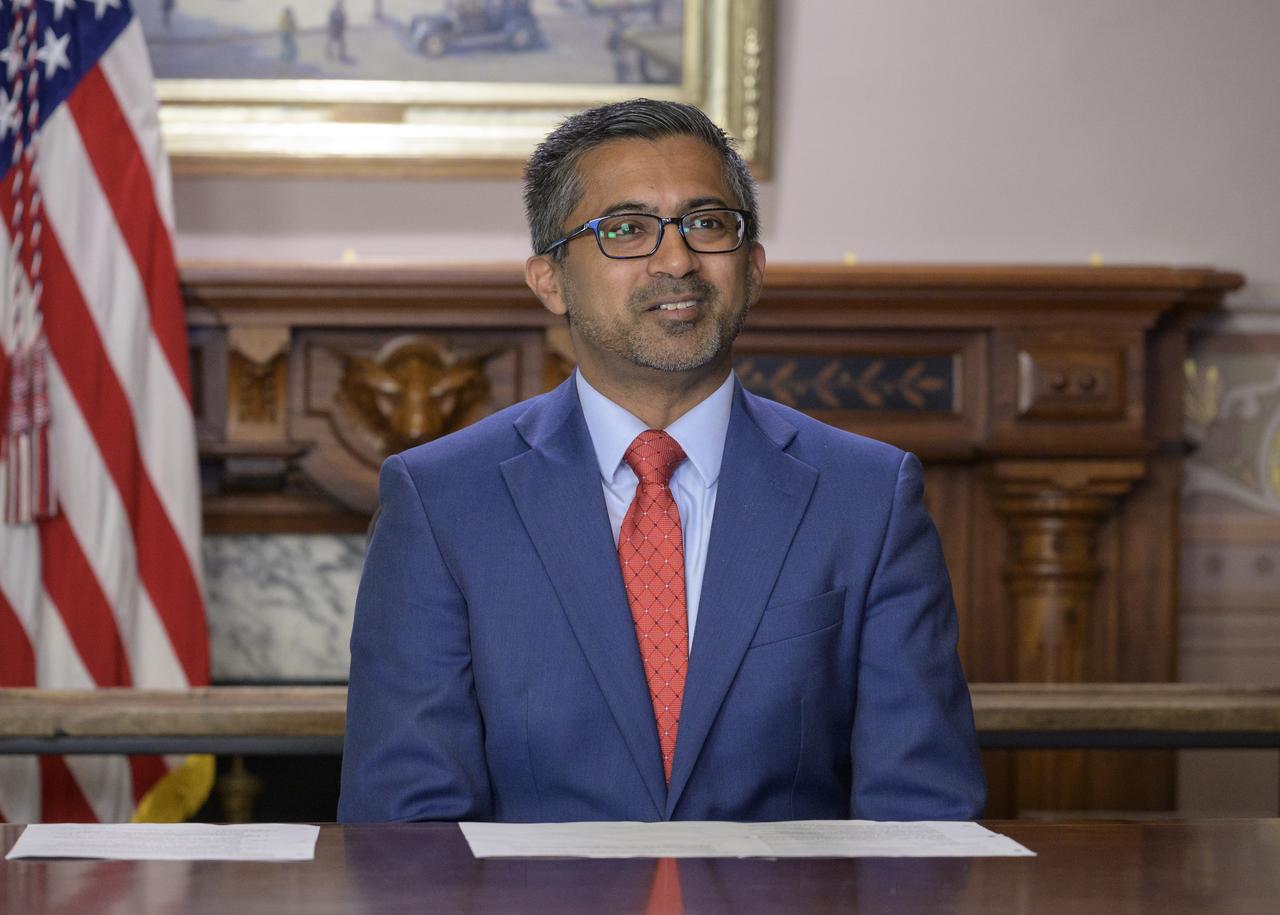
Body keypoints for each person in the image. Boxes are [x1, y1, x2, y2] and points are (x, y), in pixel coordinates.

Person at [339, 99, 985, 823]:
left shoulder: (869, 497)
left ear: (755, 266)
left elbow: (922, 819)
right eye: (626, 229)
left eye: (708, 224)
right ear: (548, 278)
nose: (677, 260)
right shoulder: (440, 500)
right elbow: (407, 832)